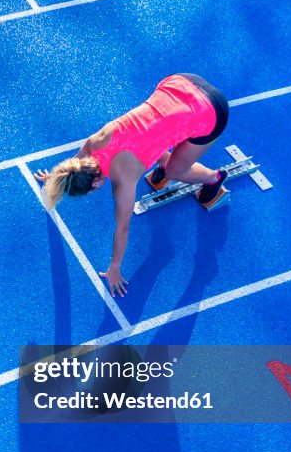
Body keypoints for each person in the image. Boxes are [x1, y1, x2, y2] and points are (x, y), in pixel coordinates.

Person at [34, 73, 230, 297]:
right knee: (145, 136)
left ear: (96, 183)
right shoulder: (95, 142)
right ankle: (165, 160)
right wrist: (53, 178)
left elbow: (122, 229)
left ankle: (213, 179)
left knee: (175, 171)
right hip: (179, 82)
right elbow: (74, 163)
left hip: (212, 112)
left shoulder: (124, 182)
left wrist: (115, 267)